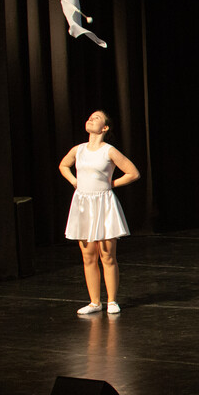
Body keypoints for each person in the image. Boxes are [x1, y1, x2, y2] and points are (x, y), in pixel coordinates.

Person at [59, 111, 140, 314]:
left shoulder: (109, 151)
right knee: (88, 256)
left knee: (107, 255)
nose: (91, 119)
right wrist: (74, 181)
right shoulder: (78, 150)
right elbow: (64, 165)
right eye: (90, 117)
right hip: (83, 204)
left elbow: (133, 173)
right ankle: (95, 302)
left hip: (103, 204)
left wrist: (110, 184)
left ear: (105, 127)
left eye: (96, 118)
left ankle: (112, 301)